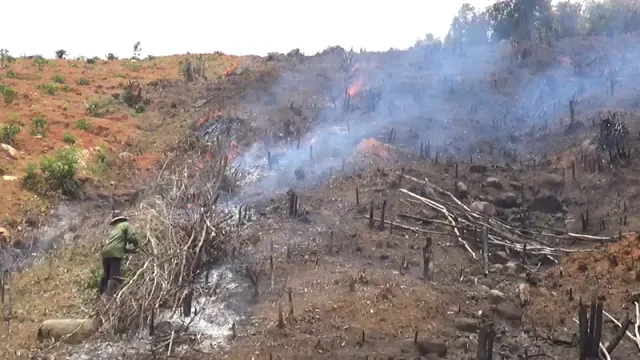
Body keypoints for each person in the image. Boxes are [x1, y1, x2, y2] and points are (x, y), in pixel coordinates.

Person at [98, 211, 138, 296]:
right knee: (114, 276)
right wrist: (136, 244)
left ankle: (101, 293)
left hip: (105, 252)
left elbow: (116, 244)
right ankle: (110, 296)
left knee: (106, 275)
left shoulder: (113, 229)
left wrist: (129, 250)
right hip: (115, 253)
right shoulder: (125, 224)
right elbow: (131, 238)